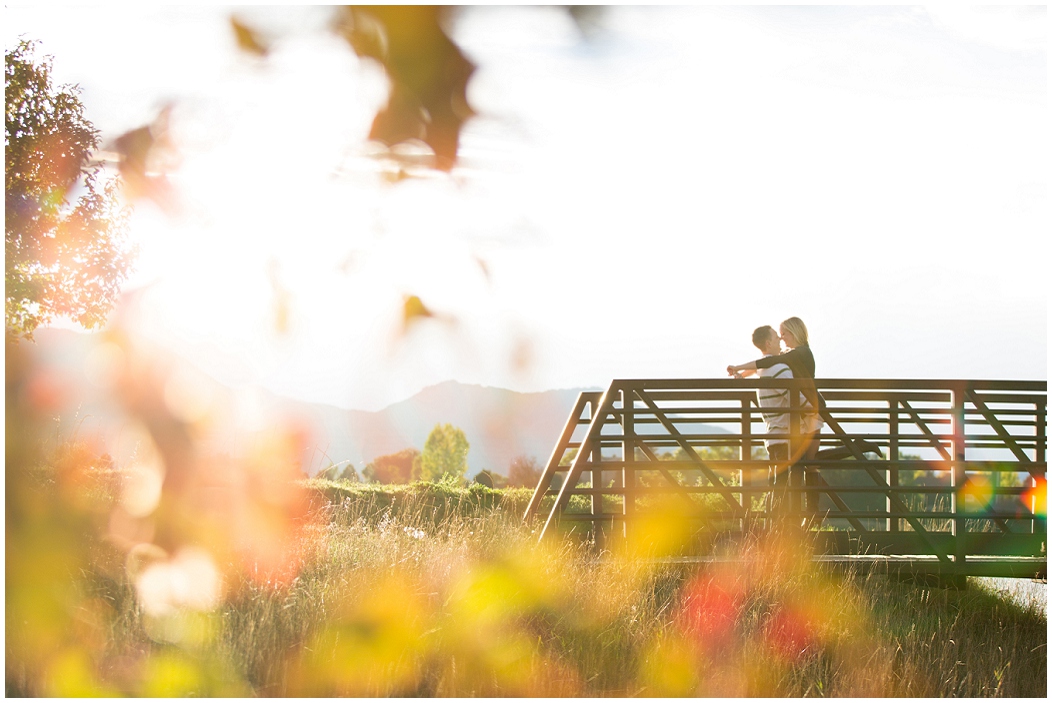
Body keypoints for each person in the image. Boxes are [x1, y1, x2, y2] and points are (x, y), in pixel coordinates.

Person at [728, 317, 823, 521]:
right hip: (790, 432)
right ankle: (797, 524)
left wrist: (740, 372)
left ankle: (780, 527)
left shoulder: (787, 359)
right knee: (794, 477)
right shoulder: (781, 367)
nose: (781, 338)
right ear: (769, 343)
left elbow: (766, 362)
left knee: (783, 482)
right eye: (777, 335)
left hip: (778, 432)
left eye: (784, 334)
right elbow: (795, 398)